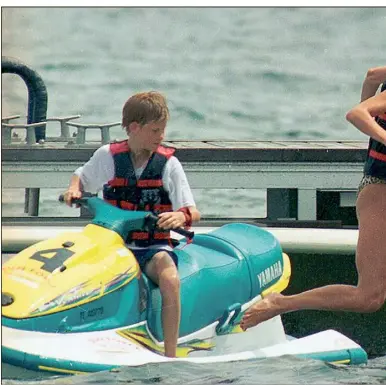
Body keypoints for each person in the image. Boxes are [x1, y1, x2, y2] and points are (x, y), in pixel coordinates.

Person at [240, 66, 386, 331]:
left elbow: (373, 75)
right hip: (380, 192)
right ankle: (280, 303)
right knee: (369, 296)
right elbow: (356, 113)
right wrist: (380, 133)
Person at [63, 91, 201, 357]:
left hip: (152, 247)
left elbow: (193, 211)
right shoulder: (107, 156)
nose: (161, 136)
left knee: (170, 278)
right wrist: (73, 190)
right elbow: (80, 177)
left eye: (163, 130)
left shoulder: (169, 165)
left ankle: (170, 353)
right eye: (155, 130)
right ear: (134, 128)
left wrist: (180, 216)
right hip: (113, 244)